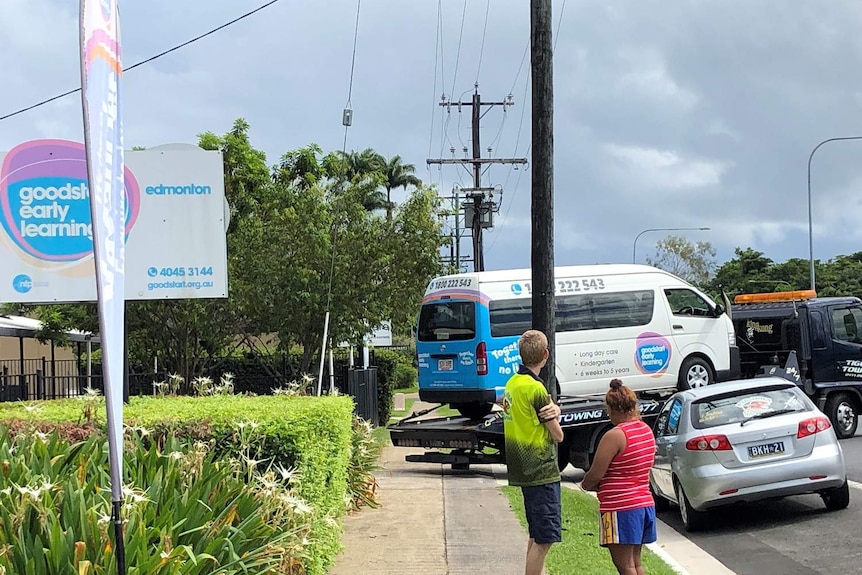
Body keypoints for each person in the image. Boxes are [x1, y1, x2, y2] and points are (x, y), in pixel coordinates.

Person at [501, 329, 564, 575]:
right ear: (545, 354)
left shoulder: (512, 384)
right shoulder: (536, 389)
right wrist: (555, 412)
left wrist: (553, 409)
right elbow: (558, 435)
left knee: (535, 534)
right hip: (541, 470)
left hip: (522, 469)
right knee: (544, 539)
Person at [581, 378, 656, 575]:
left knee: (625, 566)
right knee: (636, 563)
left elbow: (596, 473)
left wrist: (586, 485)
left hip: (619, 508)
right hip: (643, 504)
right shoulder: (646, 430)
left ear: (614, 409)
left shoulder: (615, 435)